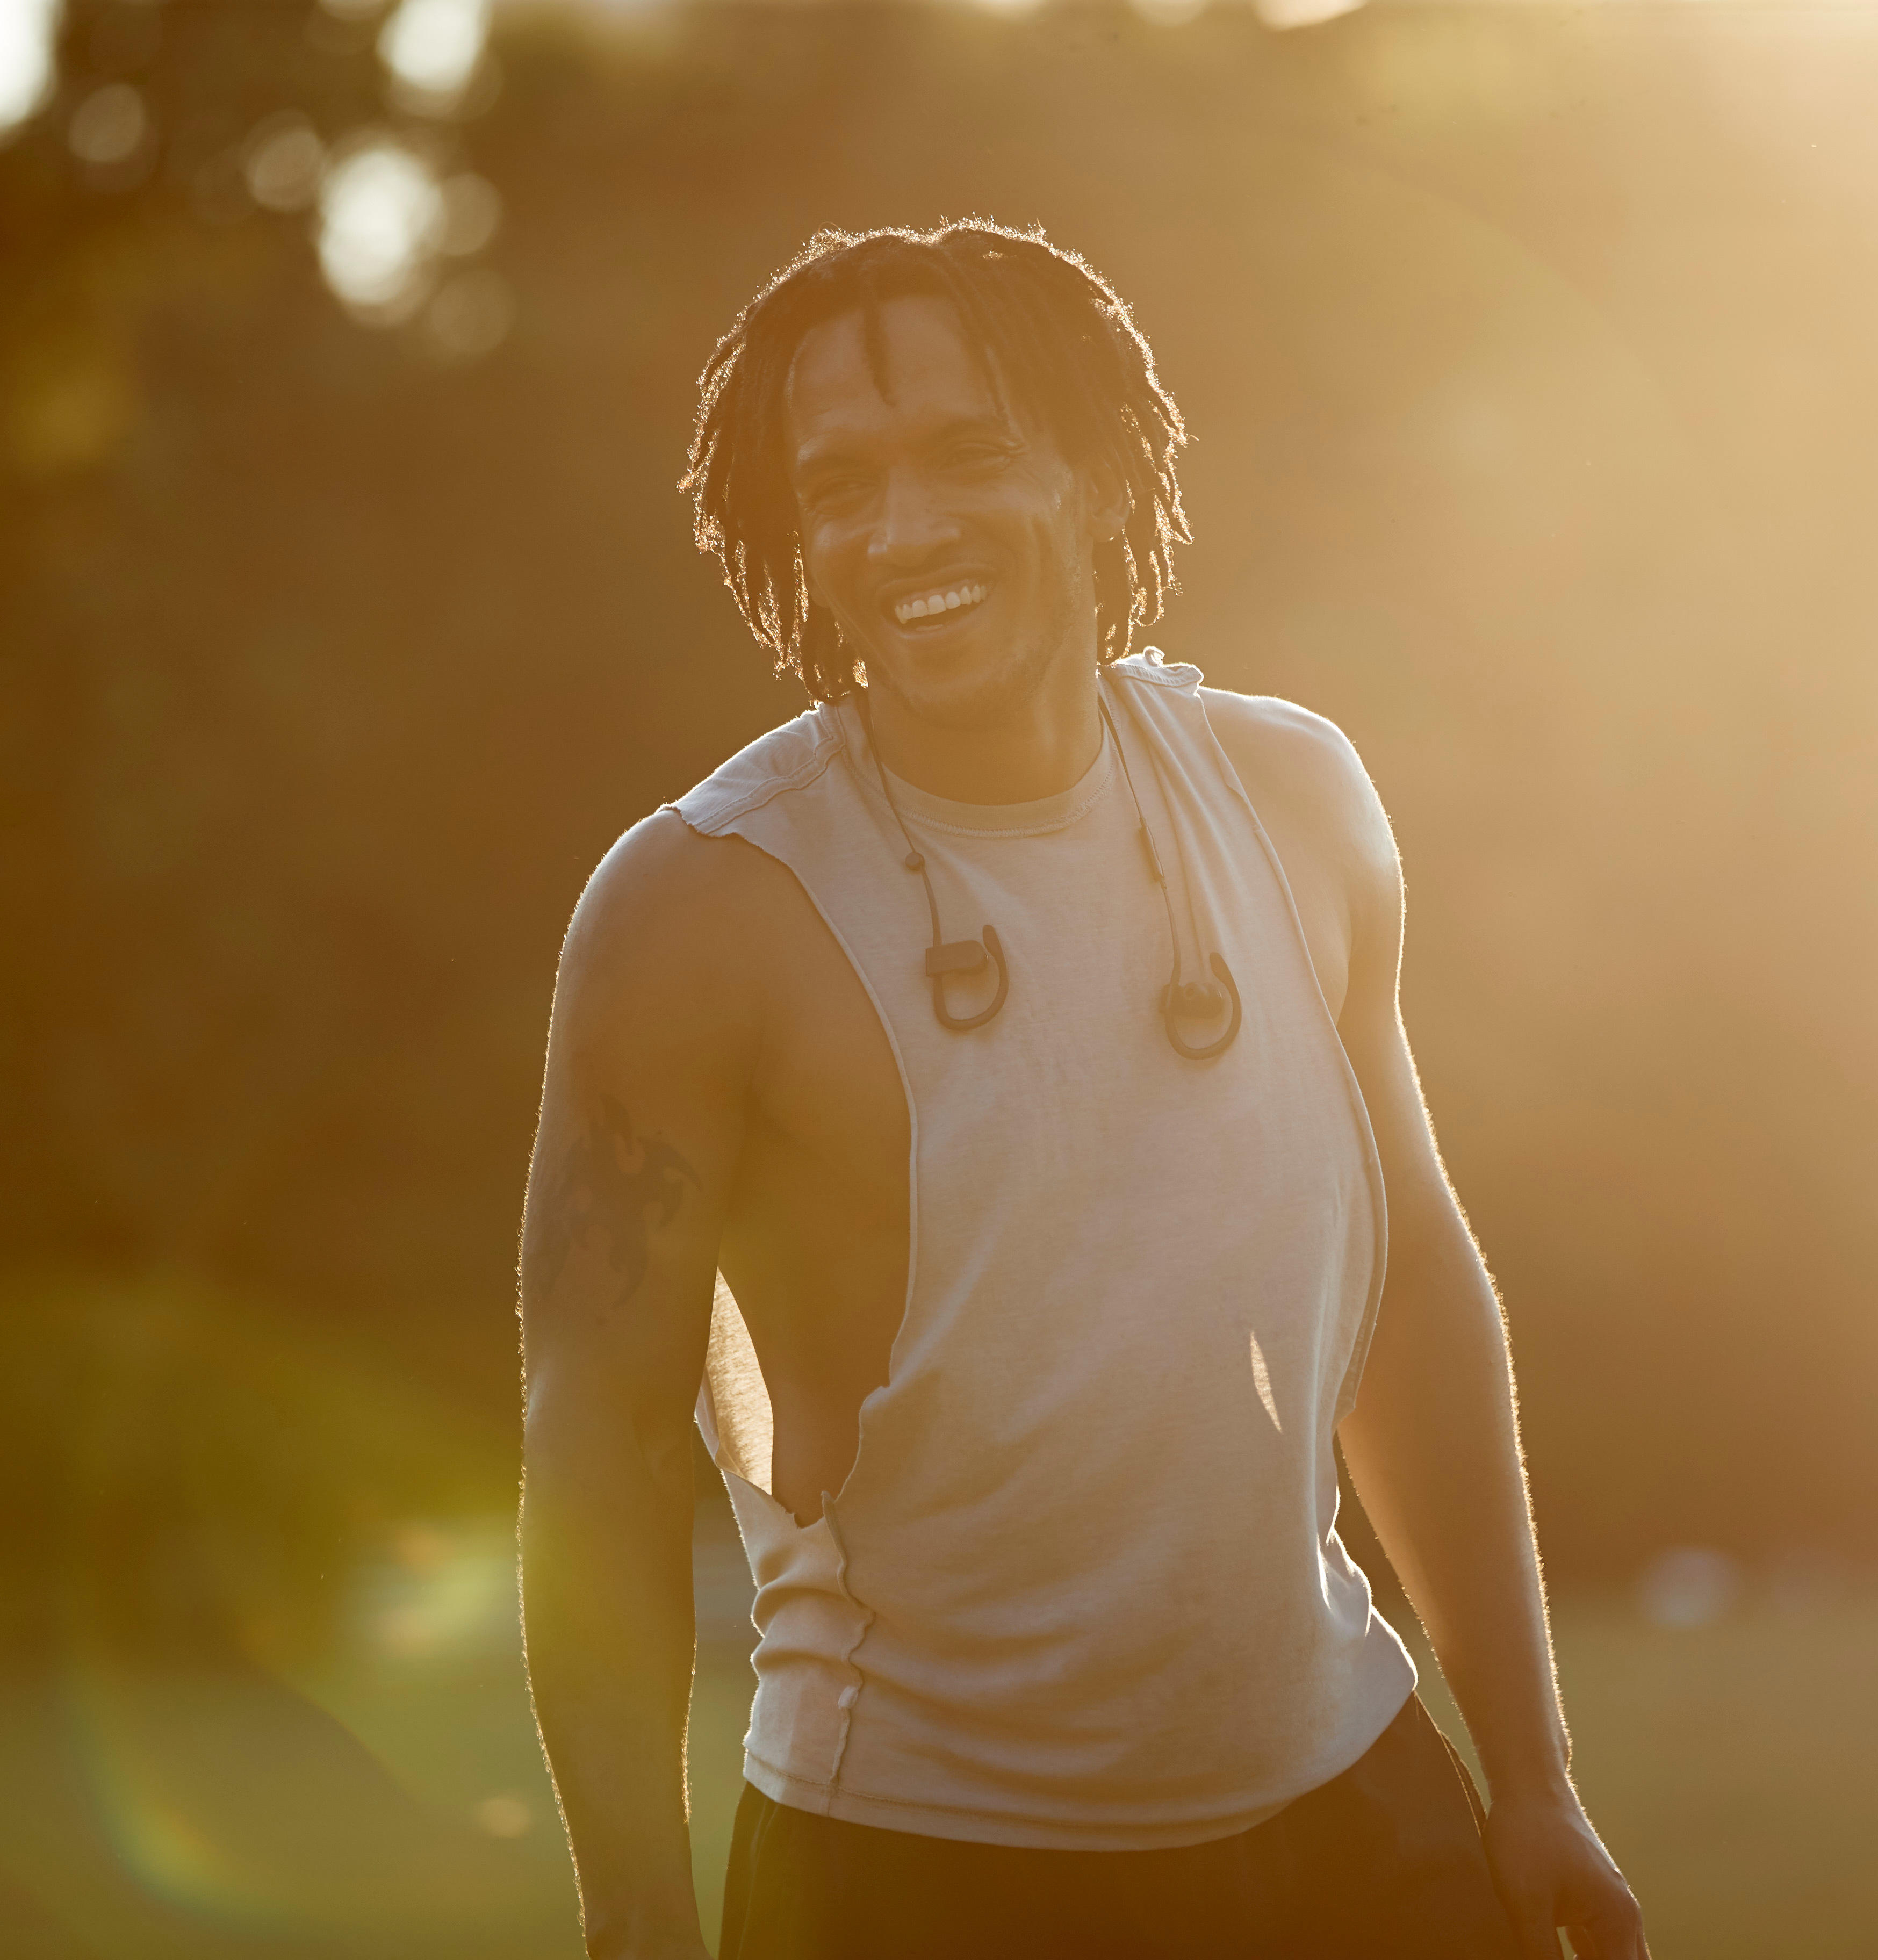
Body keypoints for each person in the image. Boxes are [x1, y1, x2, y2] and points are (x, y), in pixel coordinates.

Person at [516, 218, 1651, 1960]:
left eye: (968, 455)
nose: (905, 531)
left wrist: (1533, 1775)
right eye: (842, 485)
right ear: (791, 533)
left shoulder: (1293, 797)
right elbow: (594, 1448)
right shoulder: (696, 910)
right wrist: (635, 1917)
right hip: (916, 1873)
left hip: (1354, 1812)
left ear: (1096, 466)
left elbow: (1411, 1288)